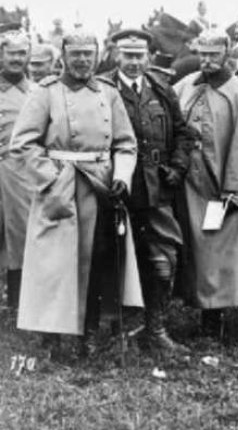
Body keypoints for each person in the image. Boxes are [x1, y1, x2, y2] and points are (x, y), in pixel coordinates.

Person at [11, 29, 141, 357]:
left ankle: (89, 333)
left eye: (88, 53)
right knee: (54, 264)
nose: (82, 60)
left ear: (97, 55)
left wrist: (122, 175)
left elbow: (126, 143)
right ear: (63, 56)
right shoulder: (46, 92)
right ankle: (51, 337)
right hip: (60, 188)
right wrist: (51, 180)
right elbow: (23, 143)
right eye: (76, 54)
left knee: (97, 260)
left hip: (100, 186)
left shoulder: (108, 92)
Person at [174, 30, 238, 339]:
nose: (208, 60)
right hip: (189, 183)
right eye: (203, 53)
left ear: (227, 54)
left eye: (214, 54)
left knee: (218, 251)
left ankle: (214, 319)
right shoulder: (187, 85)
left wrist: (237, 188)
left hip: (221, 185)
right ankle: (197, 307)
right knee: (195, 251)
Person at [105, 29, 193, 354]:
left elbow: (184, 133)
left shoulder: (161, 88)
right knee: (115, 260)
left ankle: (156, 330)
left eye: (140, 55)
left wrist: (177, 168)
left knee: (164, 257)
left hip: (157, 188)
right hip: (117, 189)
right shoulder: (103, 89)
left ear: (149, 56)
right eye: (127, 55)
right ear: (116, 55)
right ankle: (119, 332)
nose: (133, 62)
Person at [0, 32, 35, 316]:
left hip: (20, 172)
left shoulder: (36, 93)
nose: (16, 59)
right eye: (10, 53)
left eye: (21, 53)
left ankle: (17, 302)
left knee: (20, 233)